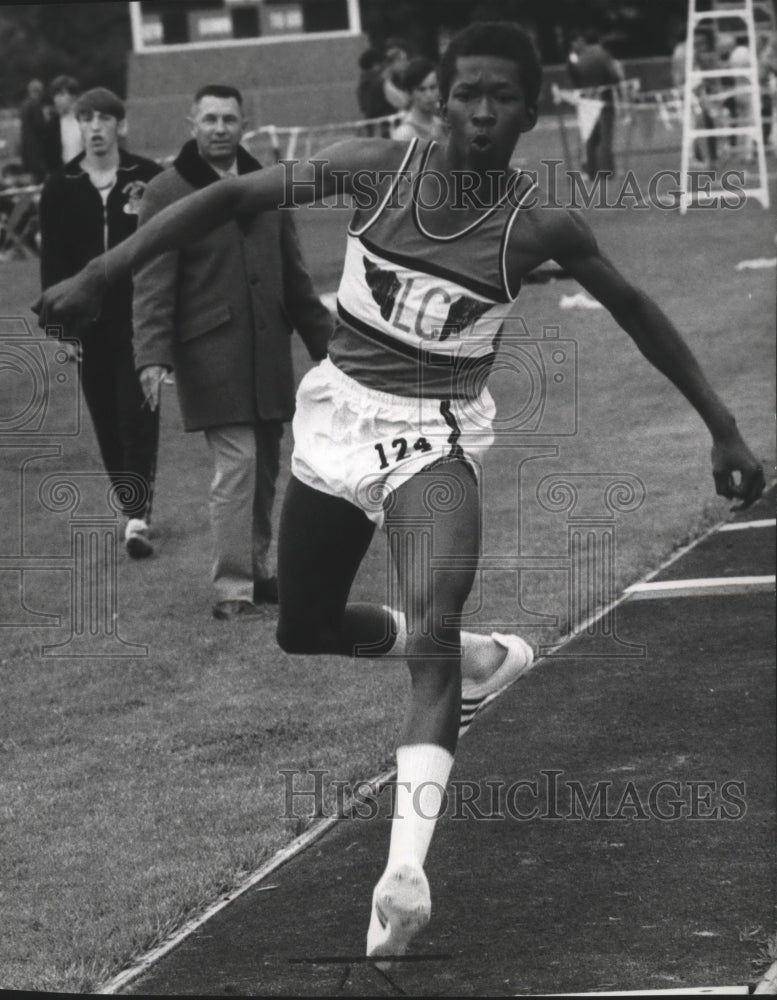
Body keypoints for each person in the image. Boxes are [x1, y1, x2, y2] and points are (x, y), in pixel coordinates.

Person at [34, 22, 765, 962]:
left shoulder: (537, 225)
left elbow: (635, 311)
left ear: (530, 115)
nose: (483, 111)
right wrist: (102, 269)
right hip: (340, 419)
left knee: (425, 626)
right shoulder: (374, 166)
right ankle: (480, 655)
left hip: (435, 442)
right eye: (468, 92)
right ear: (440, 99)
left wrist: (722, 424)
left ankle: (404, 875)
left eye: (503, 97)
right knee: (303, 623)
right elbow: (228, 200)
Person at [132, 84, 333, 621]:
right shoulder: (166, 191)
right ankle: (232, 588)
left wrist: (331, 351)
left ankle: (259, 571)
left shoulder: (268, 185)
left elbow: (296, 278)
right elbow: (153, 281)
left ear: (245, 124)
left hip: (268, 354)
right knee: (238, 465)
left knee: (266, 465)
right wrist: (151, 353)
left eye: (229, 119)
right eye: (210, 118)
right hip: (209, 355)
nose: (220, 128)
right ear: (191, 121)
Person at [38, 87, 163, 557]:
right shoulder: (60, 186)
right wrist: (60, 330)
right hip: (88, 324)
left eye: (103, 118)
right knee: (107, 418)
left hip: (142, 317)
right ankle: (132, 505)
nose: (94, 127)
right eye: (85, 118)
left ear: (119, 125)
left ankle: (137, 517)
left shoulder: (148, 178)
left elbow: (167, 252)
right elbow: (53, 265)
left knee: (138, 414)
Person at [567, 28, 623, 178]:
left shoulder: (580, 57)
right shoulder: (603, 54)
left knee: (589, 138)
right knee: (605, 138)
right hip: (604, 101)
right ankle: (606, 171)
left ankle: (590, 171)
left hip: (585, 101)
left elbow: (575, 77)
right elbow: (613, 75)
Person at [391, 57, 445, 143]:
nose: (429, 95)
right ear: (409, 93)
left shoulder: (441, 125)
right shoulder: (404, 134)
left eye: (433, 87)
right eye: (421, 89)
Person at [43, 76, 83, 174]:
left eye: (61, 95)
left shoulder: (86, 122)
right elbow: (49, 158)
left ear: (74, 96)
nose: (56, 99)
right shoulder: (52, 125)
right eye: (55, 95)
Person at [19, 79, 48, 183]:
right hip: (36, 145)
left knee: (32, 175)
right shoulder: (35, 105)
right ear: (38, 91)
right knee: (40, 175)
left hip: (26, 144)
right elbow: (40, 125)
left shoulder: (24, 105)